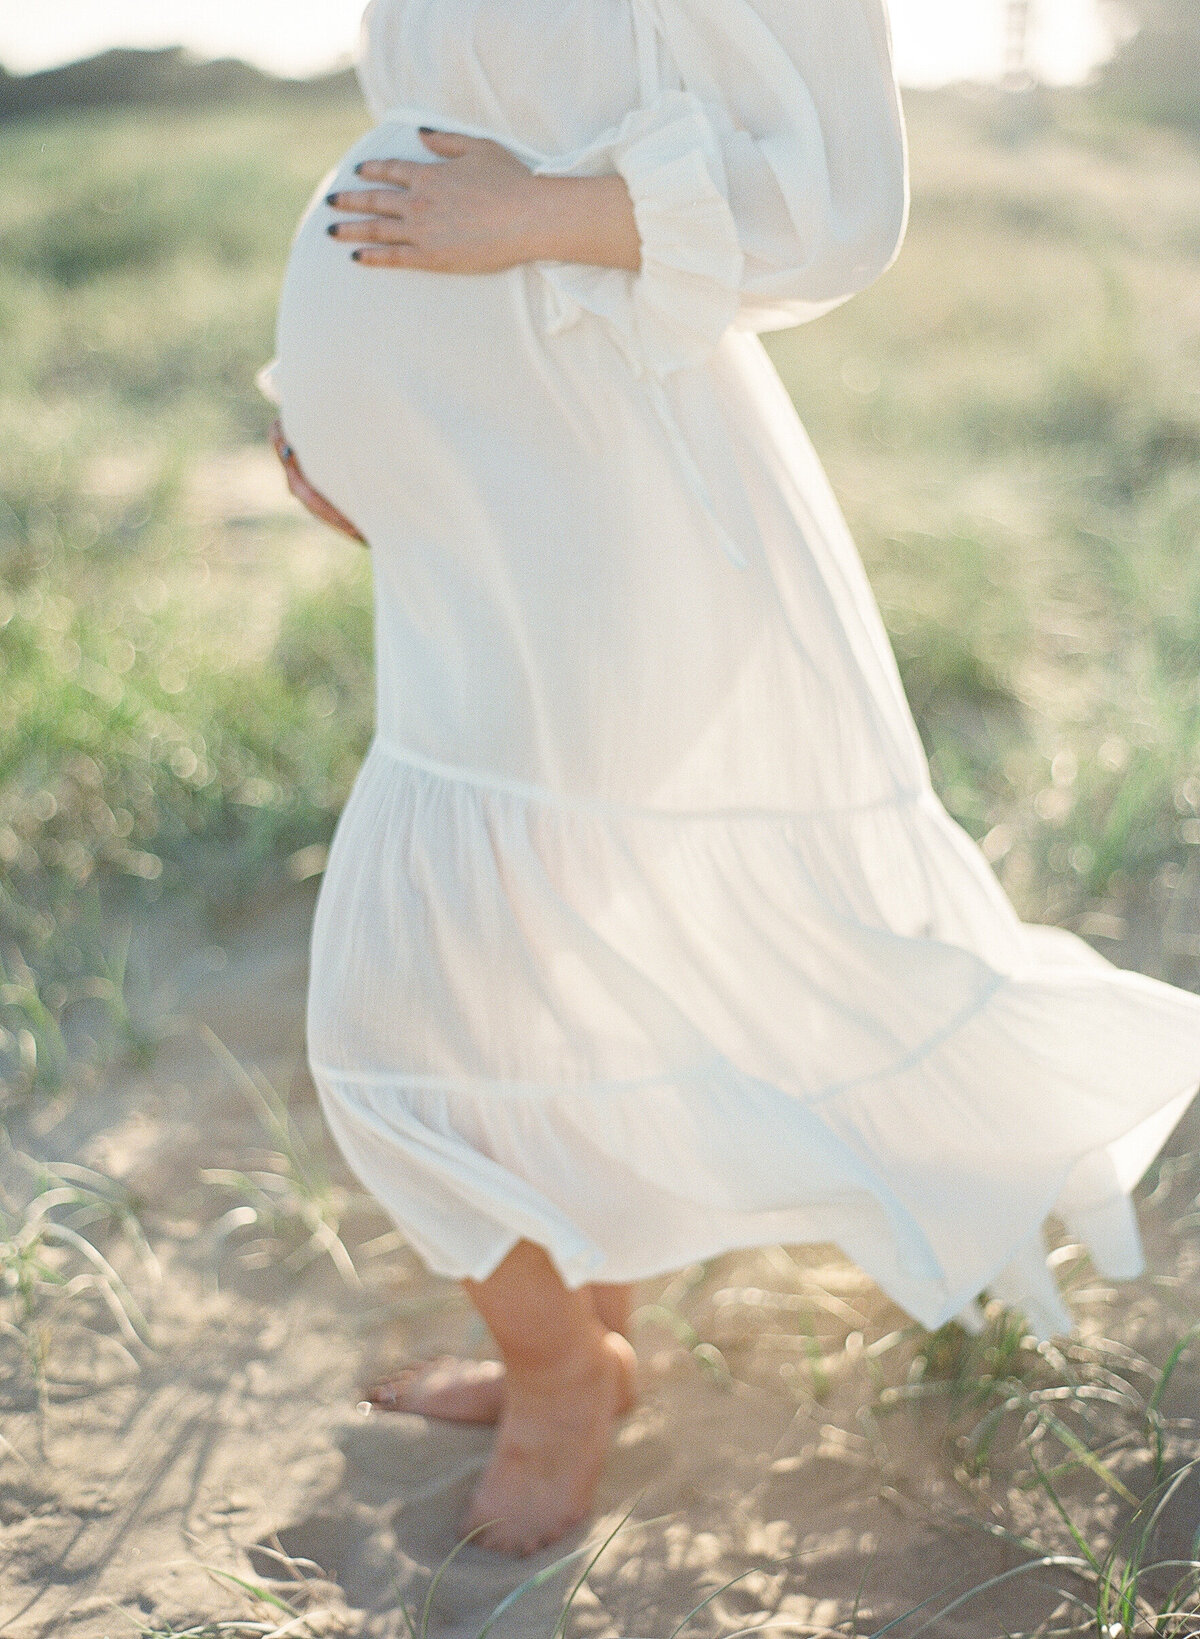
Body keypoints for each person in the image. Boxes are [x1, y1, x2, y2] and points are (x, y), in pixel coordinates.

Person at [262, 0, 1200, 1556]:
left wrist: (542, 216)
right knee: (530, 962)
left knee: (391, 1016)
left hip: (597, 485)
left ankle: (563, 1375)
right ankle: (571, 1333)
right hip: (473, 512)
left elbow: (837, 193)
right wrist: (350, 411)